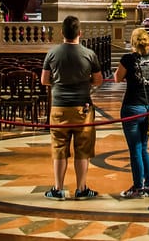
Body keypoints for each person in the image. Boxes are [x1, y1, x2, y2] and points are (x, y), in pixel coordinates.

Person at [40, 16, 104, 200]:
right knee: (82, 149)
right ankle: (81, 188)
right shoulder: (89, 54)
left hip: (59, 107)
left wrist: (60, 82)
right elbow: (98, 80)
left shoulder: (52, 53)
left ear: (62, 33)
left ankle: (58, 189)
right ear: (80, 33)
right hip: (82, 107)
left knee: (59, 148)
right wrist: (85, 83)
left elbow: (44, 80)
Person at [114, 27, 149, 198]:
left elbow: (117, 78)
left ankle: (137, 187)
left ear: (133, 42)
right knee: (144, 148)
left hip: (132, 107)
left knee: (135, 149)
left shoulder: (127, 59)